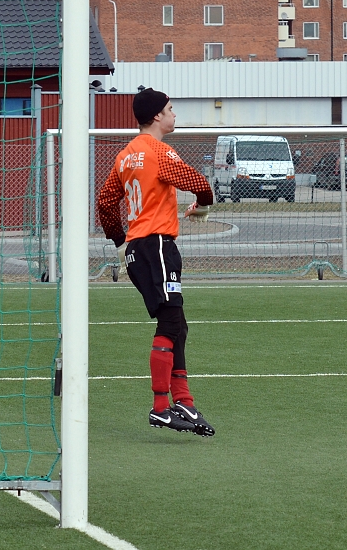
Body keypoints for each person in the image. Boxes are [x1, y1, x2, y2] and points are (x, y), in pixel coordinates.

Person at [97, 88, 216, 437]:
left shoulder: (125, 156)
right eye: (170, 109)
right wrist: (204, 207)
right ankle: (162, 407)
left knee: (177, 322)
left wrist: (121, 242)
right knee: (170, 322)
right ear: (156, 117)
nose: (174, 114)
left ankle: (184, 402)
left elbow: (105, 204)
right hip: (159, 246)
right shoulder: (159, 152)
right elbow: (200, 183)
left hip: (137, 250)